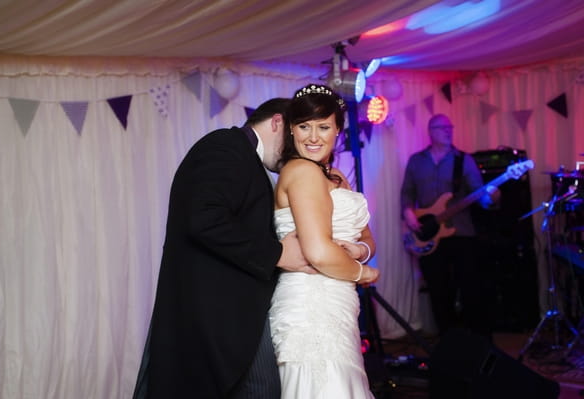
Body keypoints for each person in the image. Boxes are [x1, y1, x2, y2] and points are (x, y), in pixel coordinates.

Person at [132, 98, 314, 399]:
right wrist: (278, 254)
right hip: (214, 318)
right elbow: (203, 218)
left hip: (235, 316)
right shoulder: (224, 145)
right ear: (277, 122)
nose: (292, 155)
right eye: (293, 141)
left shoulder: (244, 158)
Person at [269, 84, 380, 399]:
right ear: (291, 130)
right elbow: (317, 252)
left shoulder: (336, 177)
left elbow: (367, 237)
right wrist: (363, 273)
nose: (313, 137)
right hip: (311, 300)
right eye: (304, 127)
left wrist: (360, 250)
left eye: (323, 127)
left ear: (338, 130)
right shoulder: (302, 171)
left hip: (337, 297)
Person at [400, 113, 499, 338]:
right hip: (428, 234)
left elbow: (478, 193)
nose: (448, 131)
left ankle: (476, 340)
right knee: (438, 290)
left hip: (461, 232)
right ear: (431, 131)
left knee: (469, 288)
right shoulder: (417, 161)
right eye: (442, 128)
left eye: (450, 127)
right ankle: (448, 340)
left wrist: (490, 197)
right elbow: (407, 192)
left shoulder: (464, 160)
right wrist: (408, 213)